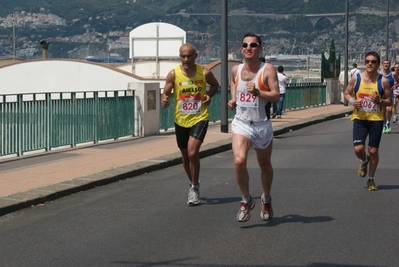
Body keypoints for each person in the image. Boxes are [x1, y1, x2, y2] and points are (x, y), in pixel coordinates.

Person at [228, 32, 279, 222]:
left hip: (261, 124)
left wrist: (258, 91)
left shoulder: (268, 70)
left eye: (253, 45)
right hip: (241, 123)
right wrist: (233, 99)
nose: (248, 48)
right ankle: (246, 199)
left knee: (264, 165)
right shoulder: (236, 70)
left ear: (260, 49)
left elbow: (275, 96)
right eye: (245, 45)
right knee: (239, 161)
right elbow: (234, 84)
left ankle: (266, 198)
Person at [161, 43, 219, 205]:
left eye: (189, 56)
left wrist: (208, 95)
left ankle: (194, 188)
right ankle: (194, 182)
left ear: (196, 56)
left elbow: (215, 85)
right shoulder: (173, 74)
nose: (186, 59)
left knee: (193, 153)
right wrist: (164, 99)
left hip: (200, 117)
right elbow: (165, 92)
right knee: (185, 155)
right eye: (183, 56)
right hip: (180, 119)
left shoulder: (204, 72)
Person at [344, 51, 392, 191]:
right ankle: (364, 161)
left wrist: (380, 101)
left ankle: (371, 179)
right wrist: (353, 101)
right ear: (364, 63)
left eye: (373, 62)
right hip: (360, 118)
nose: (370, 64)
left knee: (373, 151)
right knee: (358, 149)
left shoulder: (383, 81)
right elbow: (347, 93)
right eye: (367, 61)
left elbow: (390, 101)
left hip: (376, 120)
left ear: (378, 64)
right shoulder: (356, 78)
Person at [380, 59, 395, 133]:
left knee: (389, 109)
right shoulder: (379, 74)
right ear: (382, 65)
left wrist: (396, 85)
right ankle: (384, 124)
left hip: (390, 94)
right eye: (385, 63)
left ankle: (388, 122)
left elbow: (398, 80)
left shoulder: (393, 74)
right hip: (382, 95)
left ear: (390, 65)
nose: (386, 65)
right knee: (383, 111)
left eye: (387, 63)